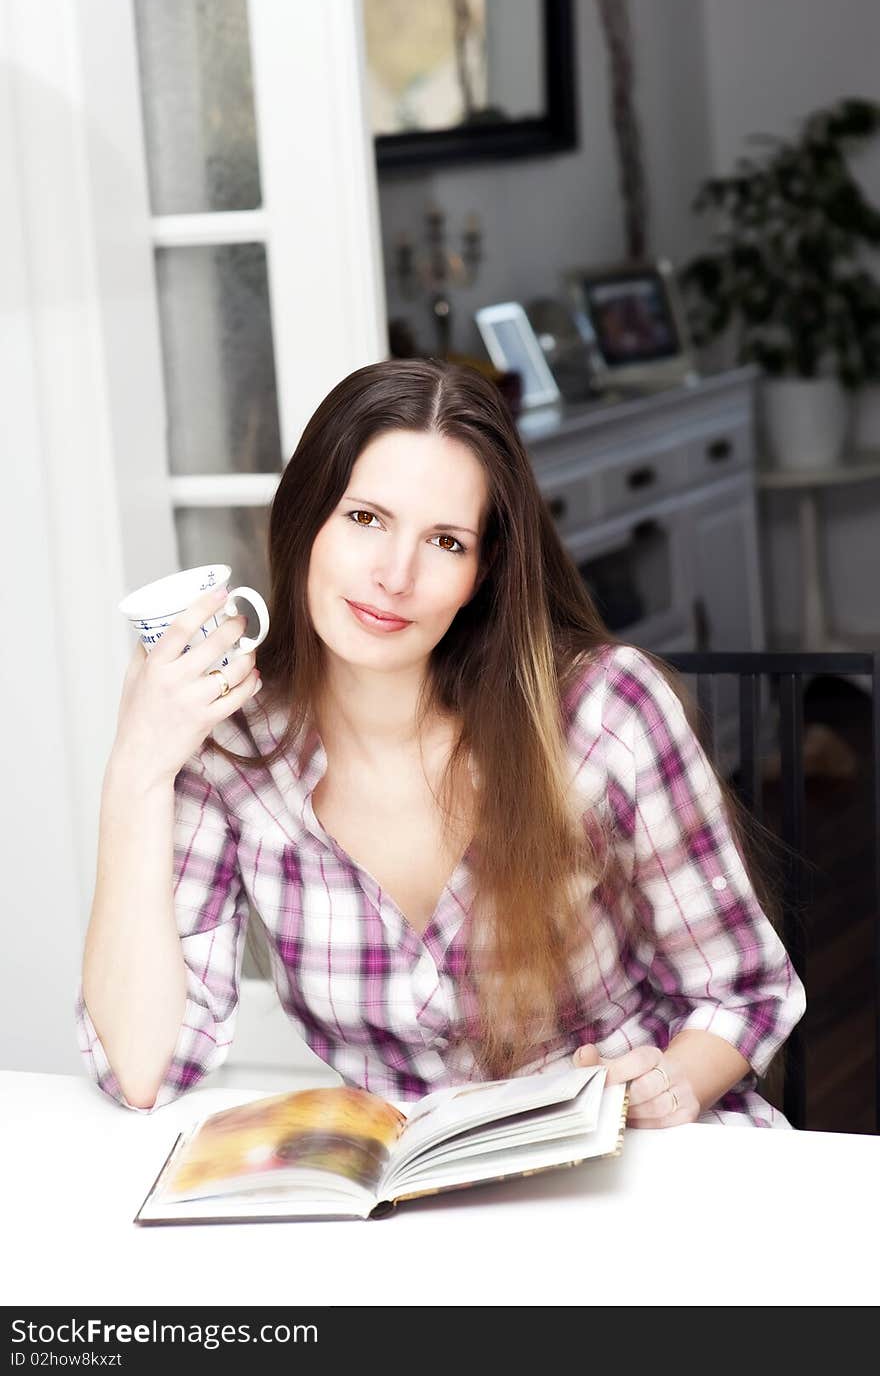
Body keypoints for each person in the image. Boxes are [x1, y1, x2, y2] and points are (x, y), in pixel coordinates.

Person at [78, 357, 805, 1126]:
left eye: (447, 542)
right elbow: (142, 1068)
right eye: (365, 519)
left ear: (483, 572)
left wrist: (671, 1086)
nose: (396, 575)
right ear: (304, 523)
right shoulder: (231, 751)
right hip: (413, 1202)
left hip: (631, 1159)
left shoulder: (602, 712)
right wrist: (138, 768)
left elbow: (746, 989)